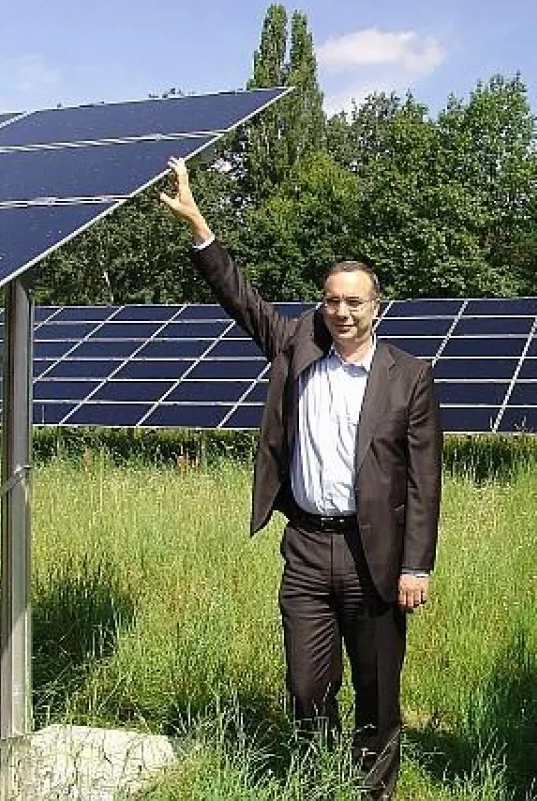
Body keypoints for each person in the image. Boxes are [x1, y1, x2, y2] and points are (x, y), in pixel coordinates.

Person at [159, 157, 442, 800]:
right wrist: (199, 226)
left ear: (376, 308)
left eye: (354, 302)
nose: (341, 312)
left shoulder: (408, 377)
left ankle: (374, 789)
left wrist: (416, 566)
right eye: (331, 300)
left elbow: (425, 482)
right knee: (307, 685)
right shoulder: (296, 348)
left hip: (376, 553)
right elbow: (240, 298)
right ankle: (321, 779)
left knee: (377, 686)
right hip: (308, 547)